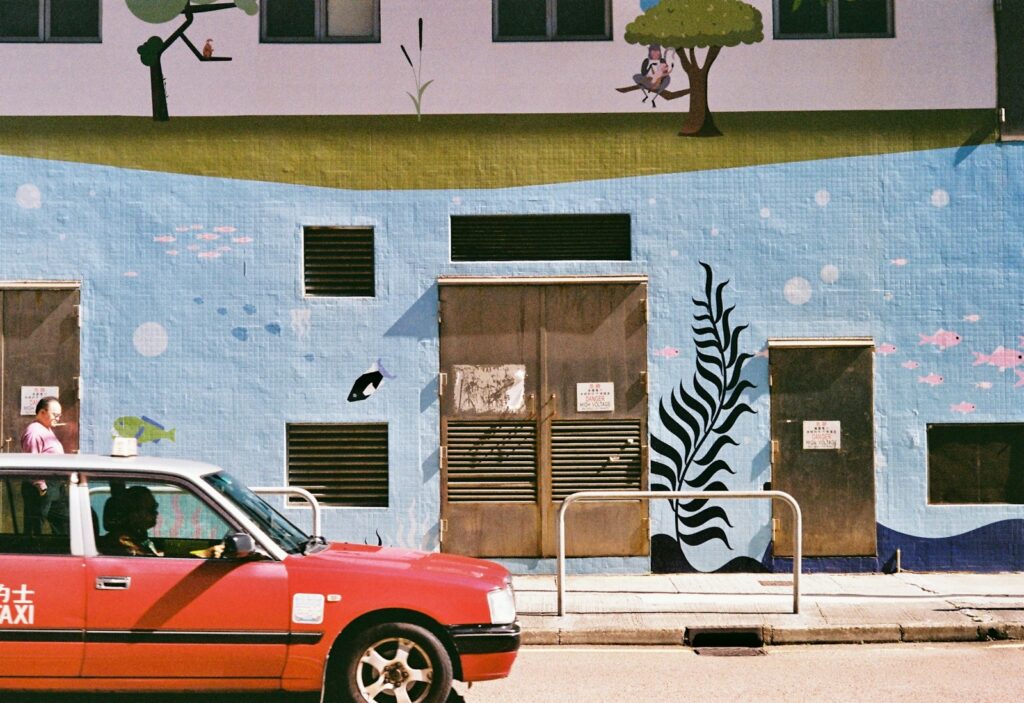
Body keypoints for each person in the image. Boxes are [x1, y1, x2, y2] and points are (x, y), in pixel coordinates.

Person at [105, 485, 223, 558]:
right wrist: (204, 554)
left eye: (155, 508)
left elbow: (159, 554)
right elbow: (153, 562)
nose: (156, 513)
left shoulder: (138, 535)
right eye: (151, 509)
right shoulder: (122, 540)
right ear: (133, 514)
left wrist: (204, 550)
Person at [20, 396, 68, 535]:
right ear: (42, 412)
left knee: (63, 521)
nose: (58, 418)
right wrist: (41, 486)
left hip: (54, 485)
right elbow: (32, 462)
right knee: (36, 527)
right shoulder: (34, 432)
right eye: (55, 415)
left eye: (59, 415)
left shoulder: (45, 429)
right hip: (41, 486)